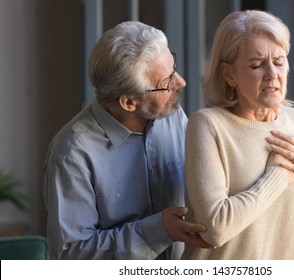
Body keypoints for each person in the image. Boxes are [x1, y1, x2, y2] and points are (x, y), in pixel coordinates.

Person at [181, 10, 294, 260]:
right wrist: (277, 176)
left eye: (279, 61)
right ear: (229, 73)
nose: (272, 74)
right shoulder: (207, 125)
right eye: (256, 64)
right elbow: (215, 228)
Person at [43, 21, 212, 260]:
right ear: (129, 102)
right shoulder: (72, 154)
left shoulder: (171, 116)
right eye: (167, 82)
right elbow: (73, 256)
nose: (182, 83)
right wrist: (159, 230)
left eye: (174, 69)